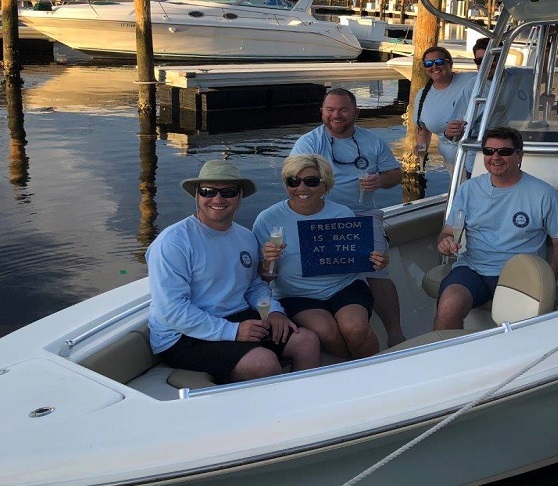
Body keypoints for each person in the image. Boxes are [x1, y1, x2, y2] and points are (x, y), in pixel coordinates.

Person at [147, 160, 322, 383]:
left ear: (239, 197)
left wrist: (274, 312)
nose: (218, 199)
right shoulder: (173, 243)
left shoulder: (245, 236)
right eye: (208, 191)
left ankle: (306, 409)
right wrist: (233, 332)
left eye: (228, 192)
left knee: (306, 342)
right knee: (264, 362)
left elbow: (253, 285)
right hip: (181, 335)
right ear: (197, 196)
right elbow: (171, 310)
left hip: (235, 318)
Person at [290, 88, 406, 347]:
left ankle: (395, 332)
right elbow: (295, 183)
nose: (336, 115)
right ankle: (326, 323)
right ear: (322, 112)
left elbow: (395, 175)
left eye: (343, 110)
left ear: (356, 112)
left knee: (377, 270)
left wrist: (380, 180)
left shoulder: (373, 141)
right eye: (330, 110)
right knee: (313, 269)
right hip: (318, 216)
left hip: (361, 213)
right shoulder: (308, 144)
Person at [435, 126, 558, 330]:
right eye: (489, 151)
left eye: (504, 151)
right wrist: (445, 243)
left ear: (520, 156)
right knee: (448, 305)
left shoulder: (543, 194)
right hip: (472, 268)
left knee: (521, 332)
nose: (495, 157)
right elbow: (447, 233)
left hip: (520, 273)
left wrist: (547, 280)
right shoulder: (468, 189)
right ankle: (445, 361)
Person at [253, 154, 388, 359]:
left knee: (355, 328)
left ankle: (377, 370)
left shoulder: (342, 214)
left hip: (344, 285)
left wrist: (377, 261)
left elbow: (357, 258)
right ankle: (358, 368)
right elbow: (264, 279)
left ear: (325, 186)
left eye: (312, 181)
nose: (302, 188)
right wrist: (269, 261)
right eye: (293, 181)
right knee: (326, 332)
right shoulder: (267, 219)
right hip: (296, 294)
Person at [414, 46, 478, 172]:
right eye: (428, 64)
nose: (434, 67)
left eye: (439, 62)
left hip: (481, 159)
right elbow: (423, 128)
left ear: (450, 63)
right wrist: (421, 147)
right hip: (453, 163)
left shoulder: (472, 79)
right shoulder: (422, 95)